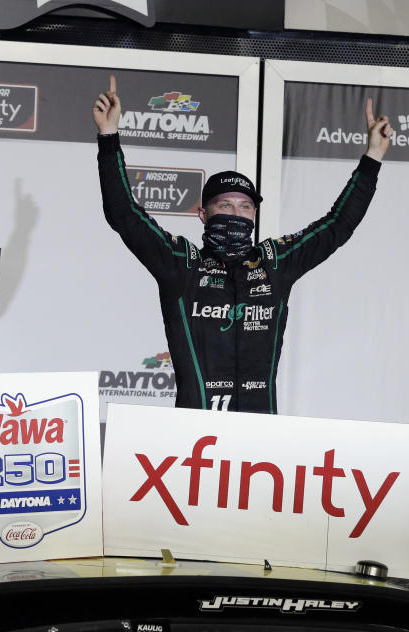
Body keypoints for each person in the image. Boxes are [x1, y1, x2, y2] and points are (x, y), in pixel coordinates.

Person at [94, 75, 391, 414]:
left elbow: (338, 224)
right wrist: (108, 137)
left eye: (245, 207)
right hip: (191, 436)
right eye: (225, 206)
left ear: (254, 215)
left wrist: (373, 157)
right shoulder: (181, 262)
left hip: (259, 434)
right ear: (202, 214)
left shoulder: (274, 262)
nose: (236, 213)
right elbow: (125, 216)